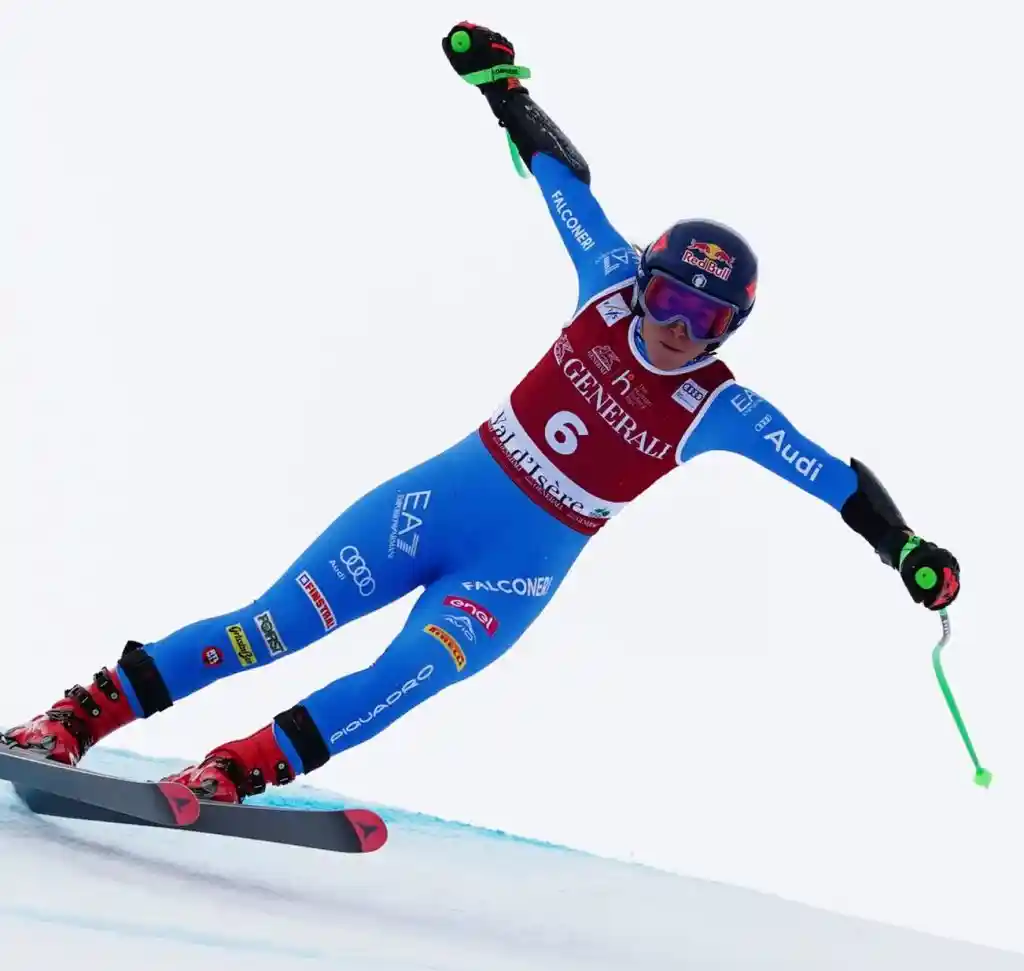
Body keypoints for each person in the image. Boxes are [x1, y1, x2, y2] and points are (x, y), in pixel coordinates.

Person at [1, 22, 960, 803]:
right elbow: (561, 177)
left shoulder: (723, 408)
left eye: (703, 321)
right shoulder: (606, 279)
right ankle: (78, 718)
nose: (676, 329)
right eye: (669, 299)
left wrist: (906, 548)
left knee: (401, 678)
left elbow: (836, 481)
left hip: (517, 571)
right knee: (272, 626)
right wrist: (501, 85)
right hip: (437, 504)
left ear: (729, 331)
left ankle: (237, 771)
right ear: (645, 280)